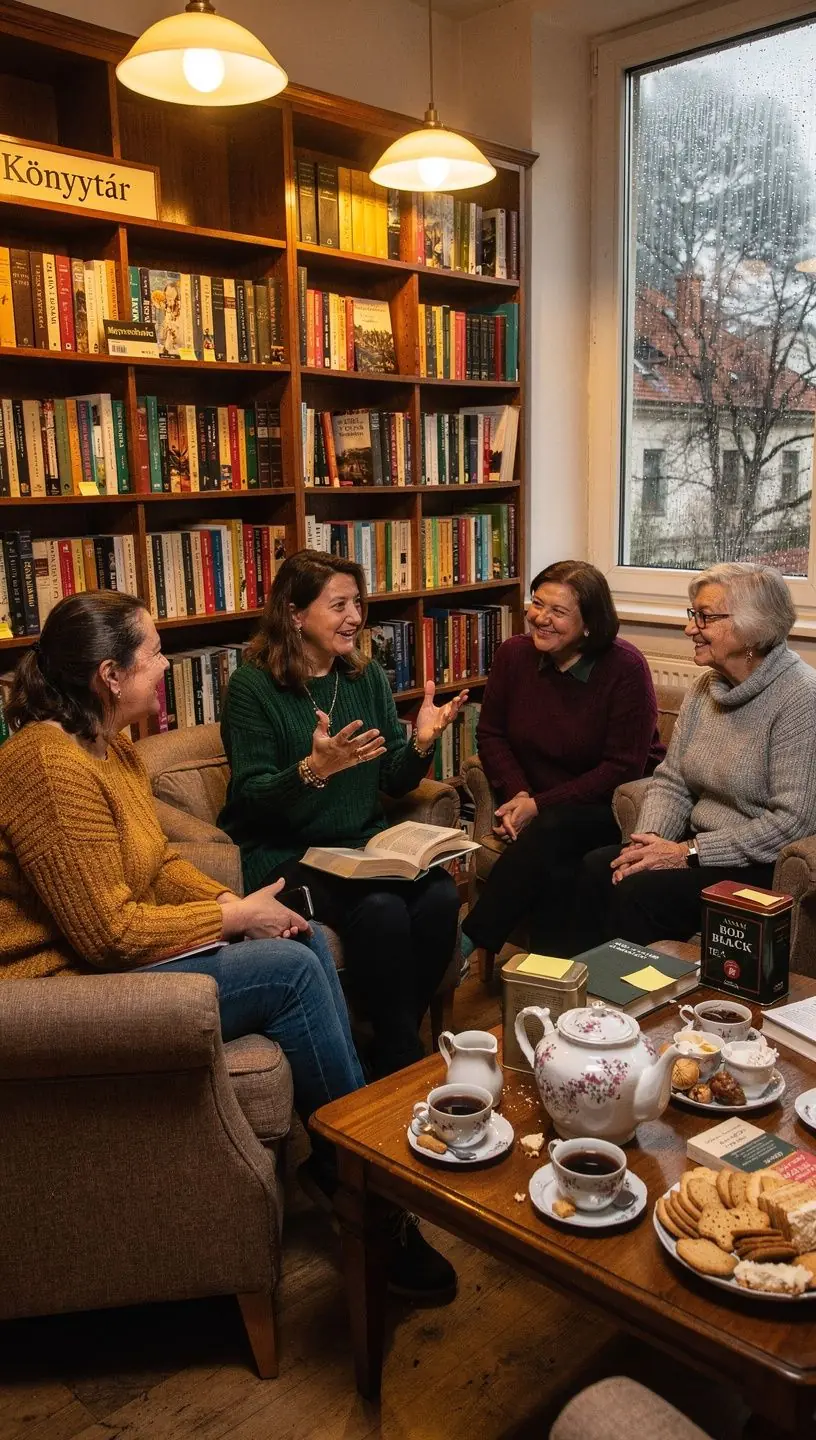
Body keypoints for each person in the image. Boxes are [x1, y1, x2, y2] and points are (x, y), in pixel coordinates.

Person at [0, 590, 455, 1303]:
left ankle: (349, 1160)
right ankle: (367, 1189)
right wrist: (232, 922)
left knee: (299, 943)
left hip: (107, 951)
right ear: (109, 675)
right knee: (292, 971)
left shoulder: (109, 746)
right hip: (55, 985)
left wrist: (231, 902)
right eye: (151, 653)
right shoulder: (48, 766)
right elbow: (109, 935)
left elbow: (152, 868)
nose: (164, 665)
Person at [218, 549, 468, 1078]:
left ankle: (390, 1043)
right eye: (339, 605)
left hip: (360, 848)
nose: (355, 617)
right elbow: (252, 798)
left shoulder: (363, 676)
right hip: (285, 853)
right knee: (381, 909)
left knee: (440, 896)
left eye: (357, 602)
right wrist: (313, 769)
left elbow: (391, 780)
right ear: (295, 614)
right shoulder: (252, 687)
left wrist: (421, 744)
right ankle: (404, 1060)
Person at [576, 562, 816, 949]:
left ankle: (635, 1001)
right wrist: (649, 841)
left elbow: (792, 822)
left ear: (752, 628)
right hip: (698, 849)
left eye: (704, 617)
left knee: (638, 893)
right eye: (694, 615)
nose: (690, 628)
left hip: (758, 866)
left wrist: (687, 852)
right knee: (595, 867)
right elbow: (673, 779)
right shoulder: (706, 686)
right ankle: (574, 995)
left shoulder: (801, 698)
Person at [460, 560, 664, 959]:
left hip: (612, 807)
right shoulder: (513, 655)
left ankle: (469, 939)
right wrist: (518, 795)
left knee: (553, 828)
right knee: (560, 871)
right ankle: (553, 985)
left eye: (558, 612)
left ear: (590, 623)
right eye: (537, 604)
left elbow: (622, 768)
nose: (541, 619)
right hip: (541, 808)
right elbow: (492, 734)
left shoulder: (625, 668)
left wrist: (537, 806)